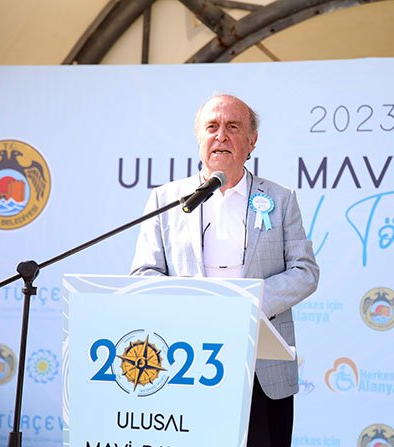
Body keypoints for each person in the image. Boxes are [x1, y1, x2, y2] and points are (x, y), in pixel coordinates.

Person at [130, 93, 319, 446]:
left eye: (233, 127)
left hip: (261, 368)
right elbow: (144, 272)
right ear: (200, 138)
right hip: (185, 364)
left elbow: (305, 271)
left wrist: (246, 304)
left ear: (252, 140)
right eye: (212, 127)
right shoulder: (166, 199)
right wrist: (196, 304)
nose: (221, 135)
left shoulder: (280, 199)